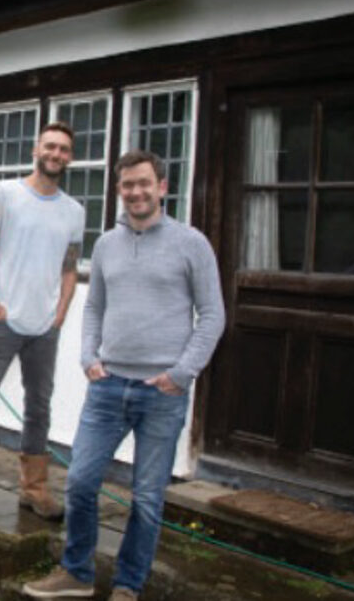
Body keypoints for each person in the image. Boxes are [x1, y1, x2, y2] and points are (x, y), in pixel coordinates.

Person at [23, 149, 225, 600]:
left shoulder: (192, 243)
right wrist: (88, 355)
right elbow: (95, 305)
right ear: (119, 191)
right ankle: (76, 572)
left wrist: (183, 373)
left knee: (148, 499)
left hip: (162, 393)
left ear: (163, 188)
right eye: (127, 185)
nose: (136, 192)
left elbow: (212, 315)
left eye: (143, 183)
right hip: (108, 386)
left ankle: (128, 586)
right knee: (79, 482)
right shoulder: (106, 245)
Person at [0, 121, 85, 523]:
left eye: (63, 149)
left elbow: (70, 267)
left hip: (45, 328)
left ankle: (34, 489)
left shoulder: (73, 211)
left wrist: (60, 313)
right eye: (50, 146)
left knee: (39, 407)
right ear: (35, 150)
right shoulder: (5, 193)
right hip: (2, 321)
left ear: (69, 158)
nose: (56, 154)